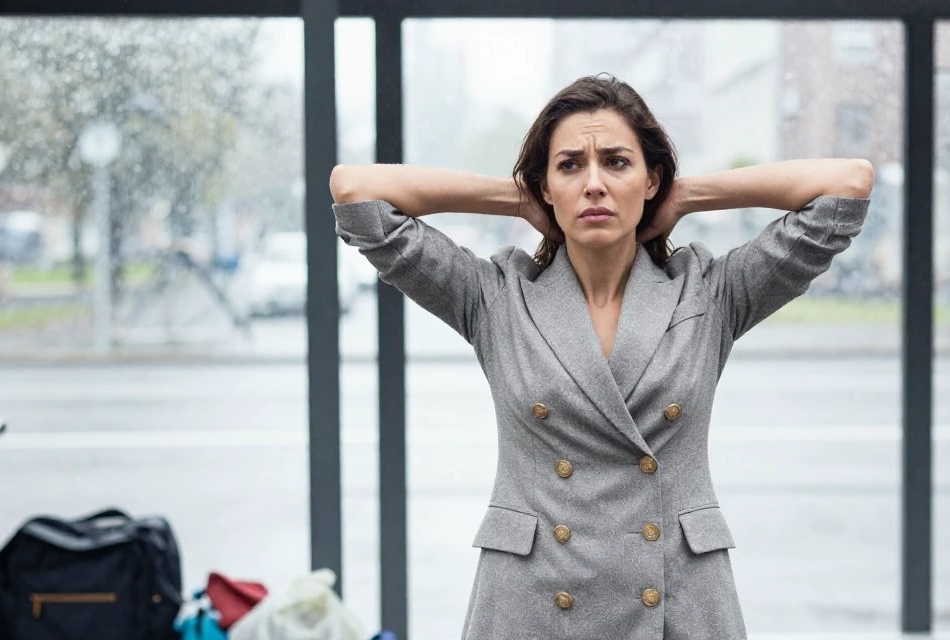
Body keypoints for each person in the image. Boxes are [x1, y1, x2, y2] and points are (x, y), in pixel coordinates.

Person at [330, 74, 873, 640]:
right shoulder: (495, 297)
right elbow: (356, 192)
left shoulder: (709, 294)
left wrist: (686, 196)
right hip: (533, 600)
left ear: (650, 178)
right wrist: (517, 199)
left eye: (616, 162)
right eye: (569, 166)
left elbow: (847, 187)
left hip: (678, 598)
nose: (593, 184)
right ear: (547, 186)